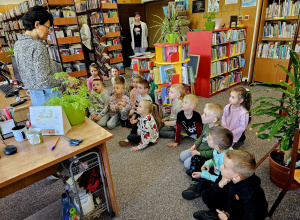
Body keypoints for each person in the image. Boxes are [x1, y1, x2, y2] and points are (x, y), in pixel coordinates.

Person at [193, 150, 268, 220]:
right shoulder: (226, 175)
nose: (221, 166)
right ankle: (215, 215)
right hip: (230, 202)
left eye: (225, 166)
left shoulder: (251, 195)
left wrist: (226, 219)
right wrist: (220, 184)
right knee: (205, 195)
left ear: (236, 177)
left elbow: (253, 217)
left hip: (239, 215)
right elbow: (212, 193)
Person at [14, 6, 63, 106]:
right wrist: (64, 80)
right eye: (47, 27)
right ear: (37, 24)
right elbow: (44, 80)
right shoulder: (37, 46)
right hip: (49, 95)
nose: (49, 31)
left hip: (35, 95)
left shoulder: (18, 44)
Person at [182, 127, 233, 201]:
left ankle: (197, 189)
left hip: (220, 177)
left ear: (217, 147)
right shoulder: (218, 150)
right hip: (216, 170)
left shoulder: (226, 161)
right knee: (196, 157)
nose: (206, 138)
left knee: (206, 186)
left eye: (209, 139)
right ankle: (198, 174)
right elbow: (213, 159)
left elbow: (220, 179)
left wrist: (204, 175)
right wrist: (207, 164)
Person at [180, 103, 223, 169]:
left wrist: (198, 153)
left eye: (205, 115)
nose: (202, 116)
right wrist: (195, 145)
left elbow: (214, 152)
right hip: (199, 148)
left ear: (214, 120)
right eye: (203, 113)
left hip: (205, 154)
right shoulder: (206, 124)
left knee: (187, 164)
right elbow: (201, 136)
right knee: (182, 156)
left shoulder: (217, 133)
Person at [119, 79, 153, 146]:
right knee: (133, 123)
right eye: (137, 87)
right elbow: (136, 109)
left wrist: (137, 120)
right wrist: (134, 117)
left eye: (140, 88)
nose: (137, 89)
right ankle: (132, 137)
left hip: (146, 119)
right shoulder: (138, 97)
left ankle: (132, 138)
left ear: (146, 90)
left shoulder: (148, 99)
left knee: (134, 130)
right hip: (140, 116)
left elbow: (147, 116)